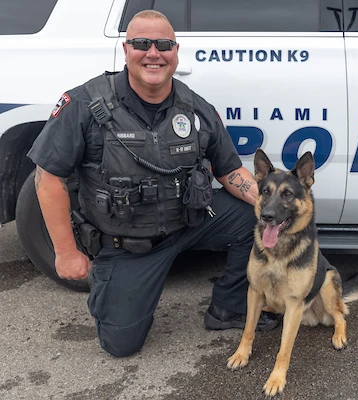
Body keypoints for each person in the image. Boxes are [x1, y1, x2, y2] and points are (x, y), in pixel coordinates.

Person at [27, 10, 279, 358]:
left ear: (175, 51)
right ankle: (113, 284)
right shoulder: (85, 104)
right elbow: (48, 177)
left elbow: (230, 170)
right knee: (121, 345)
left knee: (255, 215)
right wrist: (66, 252)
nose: (153, 53)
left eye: (163, 44)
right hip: (127, 243)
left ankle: (229, 307)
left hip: (188, 223)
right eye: (142, 43)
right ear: (125, 49)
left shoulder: (195, 108)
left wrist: (269, 207)